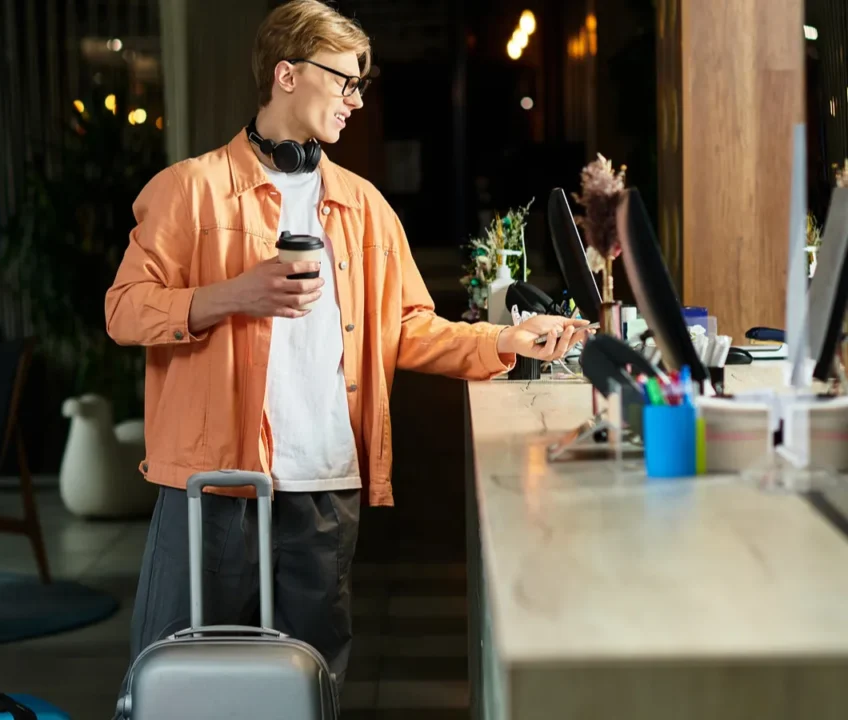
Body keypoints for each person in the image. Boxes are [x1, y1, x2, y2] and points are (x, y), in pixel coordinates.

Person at [105, 0, 589, 696]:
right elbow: (123, 311)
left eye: (362, 84)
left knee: (311, 685)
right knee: (176, 682)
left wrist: (503, 340)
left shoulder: (363, 206)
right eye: (344, 81)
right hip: (211, 486)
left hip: (326, 486)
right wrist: (237, 294)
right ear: (287, 75)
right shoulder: (191, 191)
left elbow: (407, 327)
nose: (357, 101)